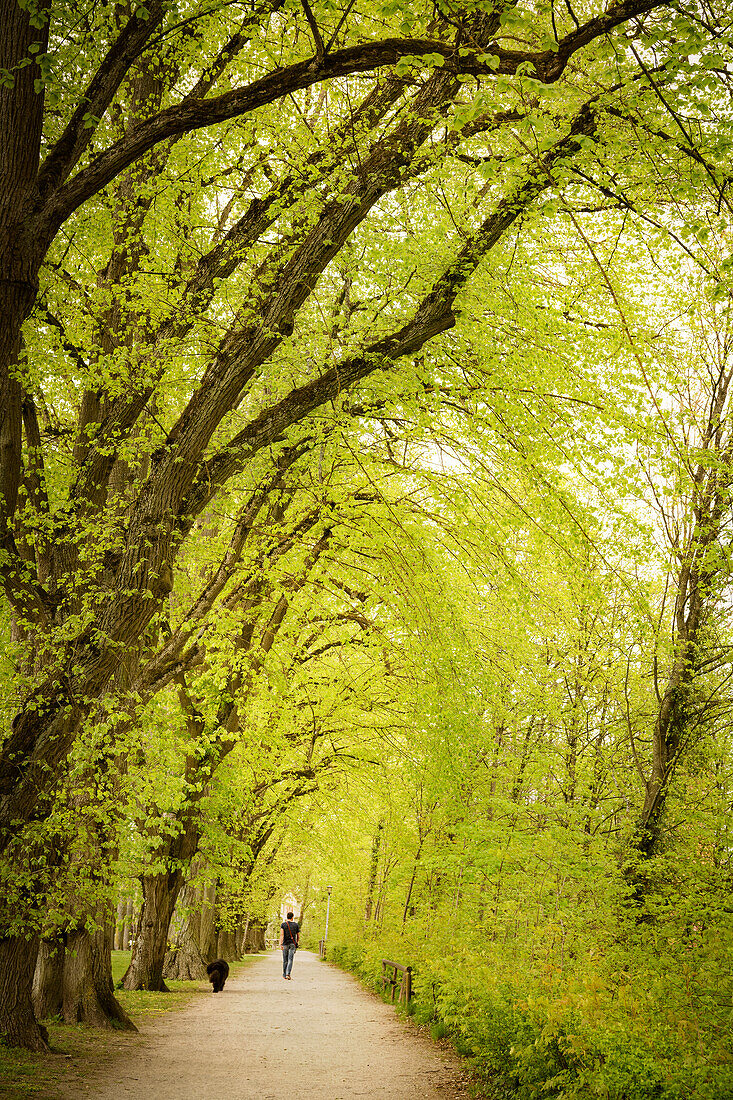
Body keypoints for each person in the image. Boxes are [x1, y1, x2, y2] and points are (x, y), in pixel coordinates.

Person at [279, 911, 299, 979]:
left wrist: (281, 944)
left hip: (285, 944)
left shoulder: (283, 925)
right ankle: (288, 974)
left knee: (285, 960)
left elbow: (282, 935)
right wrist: (296, 942)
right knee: (290, 959)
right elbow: (298, 935)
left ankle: (284, 975)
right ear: (292, 917)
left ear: (287, 917)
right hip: (292, 944)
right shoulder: (296, 925)